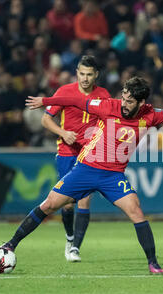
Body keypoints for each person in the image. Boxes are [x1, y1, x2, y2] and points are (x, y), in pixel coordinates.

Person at [0, 76, 163, 274]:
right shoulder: (107, 106)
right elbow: (74, 100)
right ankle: (10, 244)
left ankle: (153, 263)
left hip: (113, 176)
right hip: (86, 169)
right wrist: (46, 101)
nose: (124, 104)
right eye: (124, 97)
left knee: (136, 211)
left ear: (142, 102)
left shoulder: (151, 115)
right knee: (49, 205)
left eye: (130, 101)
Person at [41, 56, 110, 262]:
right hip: (66, 152)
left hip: (90, 154)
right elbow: (45, 119)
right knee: (67, 204)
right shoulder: (64, 92)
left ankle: (75, 249)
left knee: (85, 199)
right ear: (77, 73)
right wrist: (63, 132)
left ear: (96, 75)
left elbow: (109, 121)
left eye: (89, 74)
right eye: (82, 74)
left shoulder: (104, 95)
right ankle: (70, 238)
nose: (85, 78)